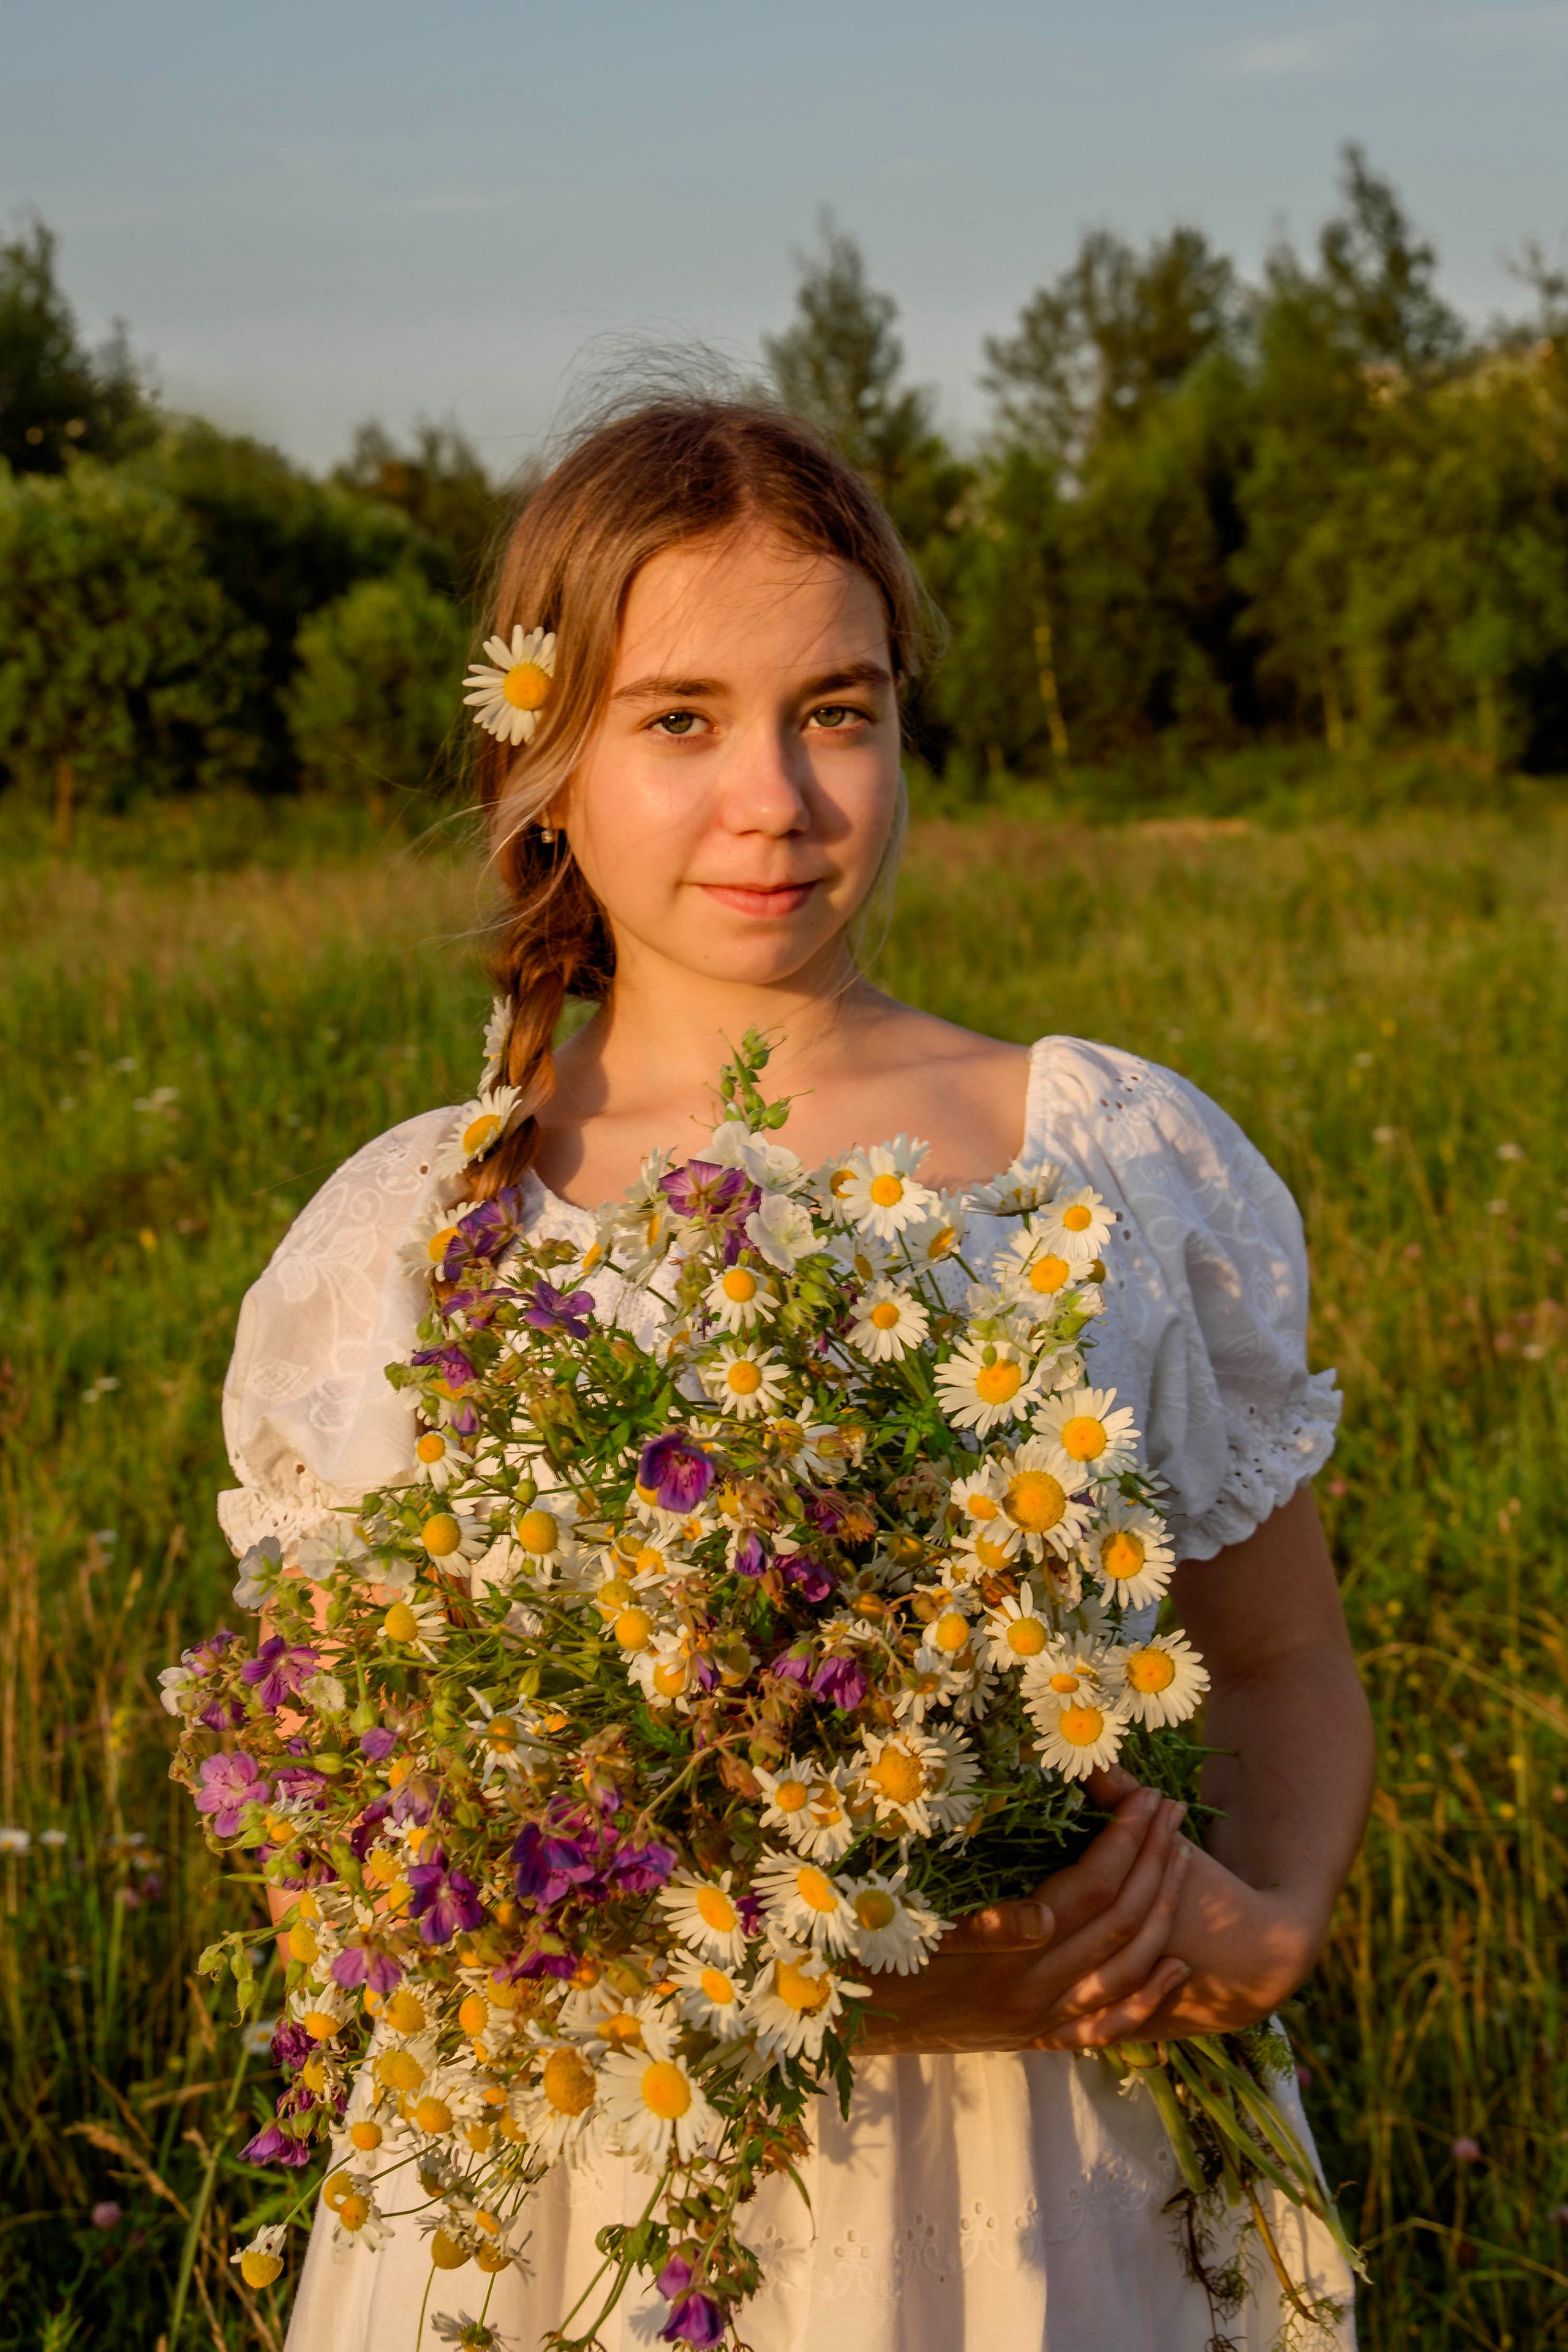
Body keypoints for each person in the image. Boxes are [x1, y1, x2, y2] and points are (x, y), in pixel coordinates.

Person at [220, 398, 1373, 2351]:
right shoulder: (414, 1241)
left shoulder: (1103, 1155)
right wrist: (883, 1978)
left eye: (836, 709)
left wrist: (1271, 1926)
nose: (778, 796)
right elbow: (343, 1864)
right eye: (678, 718)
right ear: (548, 756)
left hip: (1055, 2178)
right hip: (589, 2188)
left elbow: (1270, 1657)